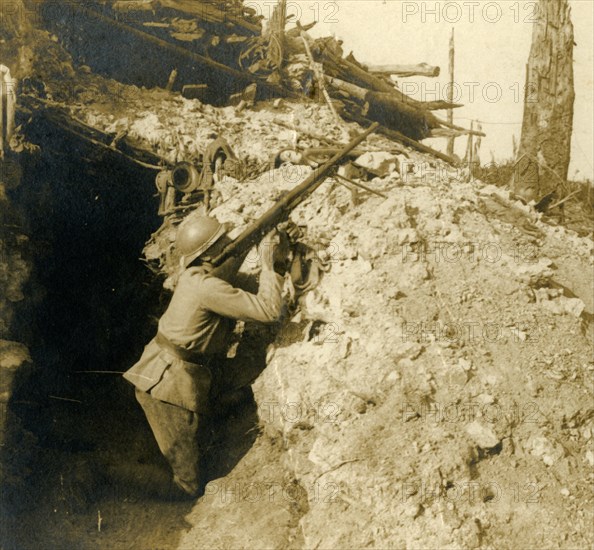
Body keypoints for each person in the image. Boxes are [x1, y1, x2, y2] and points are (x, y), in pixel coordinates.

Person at [124, 215, 290, 499]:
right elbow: (270, 311)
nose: (230, 244)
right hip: (168, 387)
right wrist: (269, 265)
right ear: (210, 254)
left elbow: (226, 268)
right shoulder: (207, 287)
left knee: (248, 370)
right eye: (223, 242)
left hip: (184, 370)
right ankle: (114, 478)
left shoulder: (195, 276)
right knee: (189, 482)